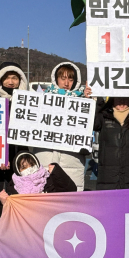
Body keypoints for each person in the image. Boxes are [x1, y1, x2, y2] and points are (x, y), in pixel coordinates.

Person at [0, 62, 30, 222]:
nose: (10, 81)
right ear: (0, 79)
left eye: (14, 77)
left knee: (17, 196)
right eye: (6, 77)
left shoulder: (29, 100)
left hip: (19, 155)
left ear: (20, 79)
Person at [34, 62, 92, 191]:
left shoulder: (84, 100)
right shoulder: (43, 98)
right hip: (45, 155)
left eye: (70, 79)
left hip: (71, 160)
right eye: (63, 78)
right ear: (56, 79)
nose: (66, 83)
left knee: (71, 200)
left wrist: (90, 100)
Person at [0, 152, 76, 200]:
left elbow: (71, 191)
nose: (29, 169)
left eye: (32, 165)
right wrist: (4, 202)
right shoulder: (13, 187)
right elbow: (7, 215)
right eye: (24, 167)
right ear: (18, 170)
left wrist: (57, 172)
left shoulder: (48, 179)